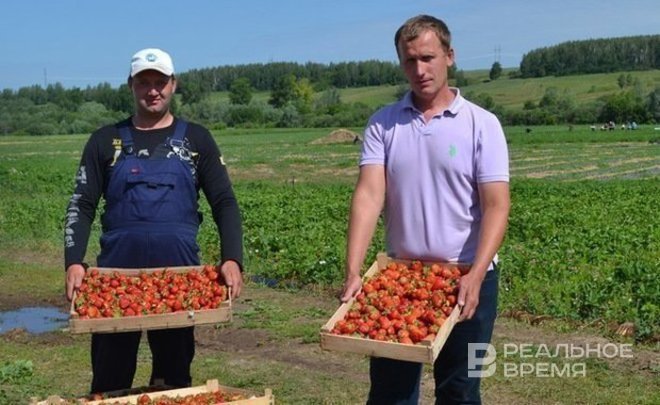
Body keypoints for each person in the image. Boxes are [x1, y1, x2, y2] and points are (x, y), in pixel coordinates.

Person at [340, 15, 510, 404]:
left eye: (428, 58)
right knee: (390, 393)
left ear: (449, 56)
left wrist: (477, 273)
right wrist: (353, 270)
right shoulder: (384, 124)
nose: (419, 70)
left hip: (468, 275)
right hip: (399, 278)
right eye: (409, 60)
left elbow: (497, 206)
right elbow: (368, 196)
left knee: (461, 390)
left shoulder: (481, 124)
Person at [63, 48, 244, 394]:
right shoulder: (105, 141)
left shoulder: (196, 140)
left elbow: (224, 202)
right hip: (115, 283)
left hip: (180, 280)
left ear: (173, 85)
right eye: (144, 82)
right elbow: (82, 204)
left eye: (160, 81)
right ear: (131, 85)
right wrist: (74, 262)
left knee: (174, 383)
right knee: (110, 380)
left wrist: (232, 257)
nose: (153, 90)